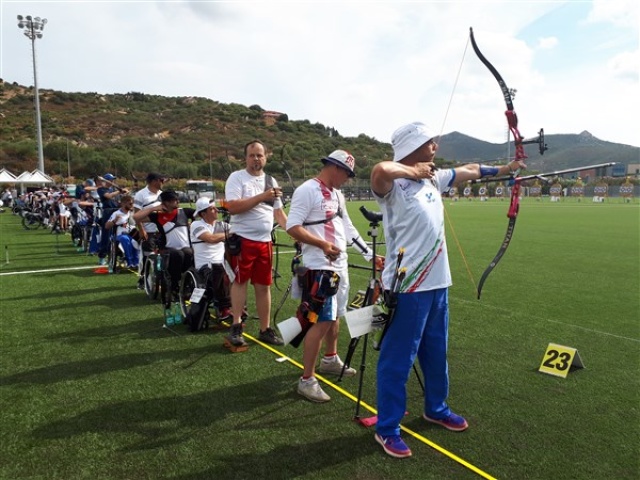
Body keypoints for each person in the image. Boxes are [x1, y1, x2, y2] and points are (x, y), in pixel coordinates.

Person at [370, 121, 527, 458]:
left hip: (438, 282)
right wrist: (413, 172)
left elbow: (469, 169)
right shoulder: (392, 186)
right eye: (429, 142)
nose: (435, 147)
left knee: (436, 353)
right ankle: (387, 428)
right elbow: (380, 169)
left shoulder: (434, 177)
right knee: (398, 360)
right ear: (414, 145)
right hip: (407, 285)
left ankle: (436, 408)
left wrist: (507, 167)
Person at [286, 150, 382, 402]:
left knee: (336, 316)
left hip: (340, 265)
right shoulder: (307, 190)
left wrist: (370, 256)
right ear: (335, 167)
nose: (348, 179)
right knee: (321, 321)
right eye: (347, 174)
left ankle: (330, 359)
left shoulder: (338, 194)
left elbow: (348, 228)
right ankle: (306, 380)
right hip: (320, 266)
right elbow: (292, 227)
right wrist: (322, 245)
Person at [223, 140, 287, 347]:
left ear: (266, 157)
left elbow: (278, 213)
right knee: (240, 282)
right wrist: (262, 196)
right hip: (243, 239)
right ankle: (236, 325)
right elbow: (232, 207)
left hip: (265, 241)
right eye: (252, 155)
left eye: (260, 155)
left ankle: (265, 329)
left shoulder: (271, 180)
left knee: (263, 285)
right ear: (246, 158)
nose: (256, 159)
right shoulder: (237, 177)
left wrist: (295, 232)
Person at [133, 190, 195, 299]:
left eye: (177, 199)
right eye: (173, 200)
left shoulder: (184, 212)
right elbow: (136, 217)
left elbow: (201, 213)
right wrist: (152, 209)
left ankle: (186, 284)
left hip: (185, 247)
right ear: (165, 203)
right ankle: (174, 286)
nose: (177, 202)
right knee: (178, 254)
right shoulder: (157, 216)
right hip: (167, 248)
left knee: (189, 253)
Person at [187, 197, 232, 329]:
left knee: (236, 271)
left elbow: (238, 232)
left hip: (221, 265)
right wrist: (231, 233)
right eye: (212, 208)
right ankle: (224, 309)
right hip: (204, 267)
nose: (216, 210)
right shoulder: (196, 225)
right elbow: (211, 239)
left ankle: (239, 308)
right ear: (203, 213)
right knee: (218, 268)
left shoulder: (222, 225)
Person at [133, 172, 165, 286]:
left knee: (163, 255)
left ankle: (160, 278)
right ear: (153, 181)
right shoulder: (141, 194)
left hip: (162, 231)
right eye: (161, 180)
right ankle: (143, 278)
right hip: (148, 231)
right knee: (148, 255)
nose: (163, 183)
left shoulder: (162, 194)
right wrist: (142, 230)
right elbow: (136, 214)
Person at [97, 174, 128, 265]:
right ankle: (102, 256)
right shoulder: (101, 189)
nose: (113, 181)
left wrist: (123, 195)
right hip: (108, 212)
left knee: (121, 232)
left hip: (117, 211)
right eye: (111, 180)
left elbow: (117, 201)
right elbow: (108, 196)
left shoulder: (113, 190)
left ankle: (119, 254)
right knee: (106, 235)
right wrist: (119, 192)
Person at [105, 194, 139, 269]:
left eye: (133, 203)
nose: (132, 205)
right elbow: (107, 226)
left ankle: (137, 262)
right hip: (121, 234)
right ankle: (130, 262)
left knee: (138, 239)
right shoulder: (116, 213)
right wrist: (115, 220)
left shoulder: (133, 213)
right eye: (130, 203)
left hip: (133, 233)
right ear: (123, 203)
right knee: (125, 239)